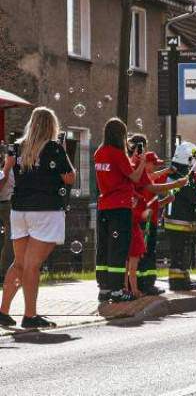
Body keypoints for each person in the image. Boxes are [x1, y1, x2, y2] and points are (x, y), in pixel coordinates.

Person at [0, 107, 76, 328]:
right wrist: (63, 152)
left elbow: (8, 173)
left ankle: (3, 311)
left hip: (19, 210)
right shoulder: (53, 148)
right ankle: (30, 316)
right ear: (52, 126)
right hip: (45, 211)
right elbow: (70, 178)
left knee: (20, 263)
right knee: (32, 265)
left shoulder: (18, 147)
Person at [93, 118, 147, 302]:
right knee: (118, 249)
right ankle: (117, 289)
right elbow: (136, 177)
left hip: (103, 207)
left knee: (104, 247)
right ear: (120, 135)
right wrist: (142, 160)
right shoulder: (118, 153)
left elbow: (115, 171)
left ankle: (104, 288)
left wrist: (130, 160)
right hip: (120, 207)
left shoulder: (99, 153)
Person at [131, 150, 183, 297]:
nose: (155, 167)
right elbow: (146, 203)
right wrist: (175, 183)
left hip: (150, 221)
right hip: (146, 223)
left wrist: (165, 201)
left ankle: (147, 282)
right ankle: (146, 284)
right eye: (153, 164)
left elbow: (152, 205)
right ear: (144, 163)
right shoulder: (144, 181)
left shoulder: (148, 180)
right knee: (146, 254)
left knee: (148, 253)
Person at [162, 142, 196, 291]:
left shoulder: (175, 172)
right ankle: (178, 283)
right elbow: (194, 197)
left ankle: (182, 279)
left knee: (180, 253)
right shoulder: (183, 176)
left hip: (173, 221)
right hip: (181, 222)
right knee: (181, 254)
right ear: (189, 159)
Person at [0, 148, 14, 282]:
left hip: (10, 203)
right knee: (10, 240)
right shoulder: (6, 165)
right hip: (4, 204)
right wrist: (8, 167)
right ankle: (4, 273)